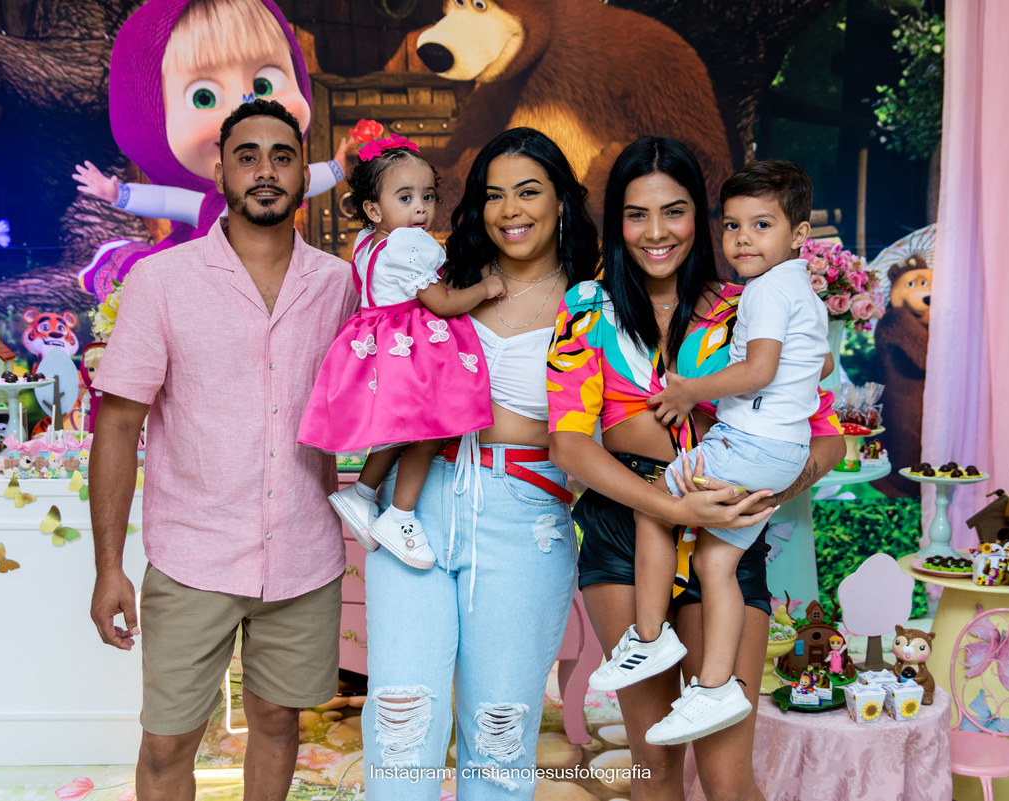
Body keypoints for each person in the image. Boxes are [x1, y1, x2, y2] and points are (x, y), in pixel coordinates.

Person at [548, 136, 844, 800]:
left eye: (674, 211)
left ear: (700, 219)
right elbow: (568, 445)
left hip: (727, 533)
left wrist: (763, 493)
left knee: (726, 775)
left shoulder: (750, 306)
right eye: (637, 214)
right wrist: (672, 507)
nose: (656, 232)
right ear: (617, 222)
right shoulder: (586, 309)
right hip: (626, 531)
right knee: (653, 766)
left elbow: (826, 440)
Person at [88, 99, 356, 801]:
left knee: (278, 720)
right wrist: (109, 566)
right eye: (248, 156)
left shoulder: (339, 285)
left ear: (304, 174)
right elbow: (118, 424)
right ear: (220, 172)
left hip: (303, 552)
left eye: (282, 156)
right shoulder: (162, 281)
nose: (266, 171)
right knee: (168, 739)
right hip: (193, 556)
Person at [358, 127, 602, 801]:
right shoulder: (443, 278)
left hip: (524, 517)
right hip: (416, 507)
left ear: (561, 200)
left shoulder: (593, 302)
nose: (510, 210)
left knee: (500, 732)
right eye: (494, 195)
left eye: (528, 191)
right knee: (401, 722)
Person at [299, 135, 505, 569]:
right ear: (374, 210)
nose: (421, 209)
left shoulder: (367, 241)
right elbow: (442, 303)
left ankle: (361, 492)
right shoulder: (410, 244)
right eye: (406, 197)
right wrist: (485, 288)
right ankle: (400, 515)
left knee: (402, 429)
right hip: (407, 344)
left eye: (427, 196)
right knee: (430, 432)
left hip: (377, 341)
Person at [72, 0, 349, 300]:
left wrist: (336, 167)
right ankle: (116, 260)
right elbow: (165, 201)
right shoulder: (208, 207)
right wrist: (118, 194)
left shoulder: (280, 185)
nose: (245, 108)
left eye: (264, 85)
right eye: (204, 97)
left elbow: (306, 180)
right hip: (205, 288)